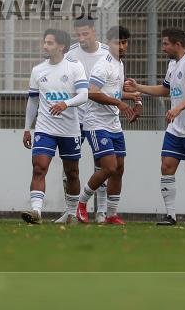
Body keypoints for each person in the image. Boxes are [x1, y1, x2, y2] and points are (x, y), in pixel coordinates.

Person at [129, 27, 185, 226]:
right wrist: (138, 87)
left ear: (177, 44)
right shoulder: (172, 65)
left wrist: (178, 109)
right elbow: (165, 89)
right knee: (166, 165)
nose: (163, 48)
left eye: (166, 44)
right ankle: (170, 215)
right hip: (176, 128)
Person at [21, 29, 89, 225]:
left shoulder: (75, 67)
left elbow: (84, 95)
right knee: (39, 167)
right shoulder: (38, 71)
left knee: (72, 173)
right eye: (45, 42)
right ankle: (36, 212)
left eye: (50, 43)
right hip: (44, 128)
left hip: (70, 130)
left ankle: (71, 213)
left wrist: (65, 104)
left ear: (61, 47)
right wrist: (27, 128)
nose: (45, 46)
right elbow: (33, 101)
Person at [76, 26, 141, 224]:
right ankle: (81, 204)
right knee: (109, 167)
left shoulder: (119, 65)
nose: (121, 46)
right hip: (96, 123)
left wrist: (135, 100)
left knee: (119, 168)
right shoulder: (102, 65)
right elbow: (93, 92)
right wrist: (120, 104)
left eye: (124, 42)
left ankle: (111, 215)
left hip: (113, 124)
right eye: (116, 42)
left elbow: (114, 92)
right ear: (108, 43)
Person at [63, 18, 109, 223]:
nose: (81, 39)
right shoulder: (70, 54)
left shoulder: (108, 53)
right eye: (78, 35)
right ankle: (70, 212)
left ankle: (101, 211)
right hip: (75, 119)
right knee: (69, 168)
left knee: (102, 165)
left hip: (99, 118)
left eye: (85, 34)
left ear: (93, 31)